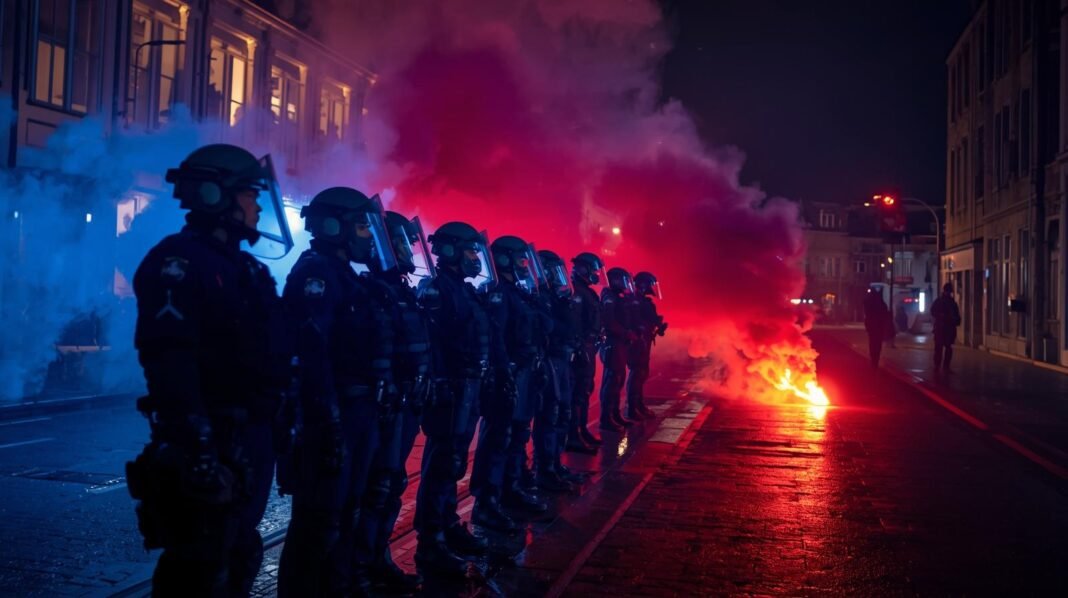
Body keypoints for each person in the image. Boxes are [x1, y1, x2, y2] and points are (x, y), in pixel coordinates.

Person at [126, 144, 293, 596]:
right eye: (249, 195)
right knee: (200, 565)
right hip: (212, 438)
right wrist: (196, 443)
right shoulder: (177, 263)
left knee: (239, 553)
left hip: (250, 436)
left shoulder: (246, 269)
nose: (258, 205)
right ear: (215, 196)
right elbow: (170, 360)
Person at [277, 187, 396, 596]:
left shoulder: (348, 275)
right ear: (335, 226)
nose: (368, 235)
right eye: (362, 225)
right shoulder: (318, 274)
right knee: (319, 520)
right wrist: (325, 421)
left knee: (346, 512)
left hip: (357, 411)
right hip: (334, 413)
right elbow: (312, 355)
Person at [351, 210, 436, 593]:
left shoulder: (400, 289)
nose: (406, 250)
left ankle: (376, 559)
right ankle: (359, 569)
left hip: (403, 401)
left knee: (391, 483)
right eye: (398, 241)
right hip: (383, 405)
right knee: (376, 487)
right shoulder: (372, 290)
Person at [414, 221, 494, 578]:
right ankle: (431, 542)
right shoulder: (438, 291)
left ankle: (447, 526)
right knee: (442, 464)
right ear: (450, 251)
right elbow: (433, 343)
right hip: (451, 391)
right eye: (469, 251)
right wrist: (442, 382)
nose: (475, 257)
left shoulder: (463, 290)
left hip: (467, 388)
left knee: (454, 462)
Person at [470, 235, 547, 534]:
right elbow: (498, 338)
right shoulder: (500, 295)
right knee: (498, 439)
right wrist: (504, 373)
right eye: (520, 260)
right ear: (504, 260)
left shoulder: (518, 293)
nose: (524, 266)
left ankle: (510, 489)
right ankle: (487, 502)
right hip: (509, 375)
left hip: (523, 373)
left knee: (517, 435)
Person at [532, 249, 587, 488]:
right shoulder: (541, 296)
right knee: (550, 414)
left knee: (563, 412)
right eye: (552, 271)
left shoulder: (557, 296)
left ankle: (554, 464)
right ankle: (544, 469)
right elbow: (549, 327)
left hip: (563, 359)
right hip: (551, 358)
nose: (557, 276)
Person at [566, 253, 605, 453]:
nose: (596, 274)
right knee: (576, 395)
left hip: (589, 348)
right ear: (582, 269)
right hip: (581, 351)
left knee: (585, 391)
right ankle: (573, 435)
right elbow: (574, 324)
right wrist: (579, 346)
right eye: (593, 270)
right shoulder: (577, 292)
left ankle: (581, 430)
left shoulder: (587, 292)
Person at [599, 267, 637, 431]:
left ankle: (614, 414)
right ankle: (606, 418)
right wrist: (625, 332)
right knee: (612, 381)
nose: (625, 283)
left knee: (618, 380)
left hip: (620, 343)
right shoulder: (609, 297)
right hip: (613, 344)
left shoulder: (617, 297)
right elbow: (609, 322)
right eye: (623, 280)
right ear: (614, 280)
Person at [626, 272, 667, 420]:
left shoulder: (643, 301)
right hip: (638, 342)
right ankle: (632, 408)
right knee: (637, 374)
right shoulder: (634, 301)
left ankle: (638, 404)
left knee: (642, 373)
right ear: (643, 285)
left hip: (644, 341)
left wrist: (657, 326)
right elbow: (635, 321)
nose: (652, 288)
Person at [930, 282, 962, 372]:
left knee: (948, 348)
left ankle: (945, 366)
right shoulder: (939, 301)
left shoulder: (952, 303)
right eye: (947, 291)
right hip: (941, 328)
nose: (948, 293)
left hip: (948, 328)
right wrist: (941, 316)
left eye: (949, 292)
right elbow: (933, 312)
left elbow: (956, 315)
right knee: (939, 348)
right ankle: (937, 365)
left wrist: (956, 320)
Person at [863, 288, 891, 368]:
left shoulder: (869, 302)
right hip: (879, 327)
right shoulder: (881, 304)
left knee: (872, 343)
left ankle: (873, 359)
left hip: (872, 327)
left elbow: (866, 311)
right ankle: (876, 359)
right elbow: (885, 314)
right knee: (877, 344)